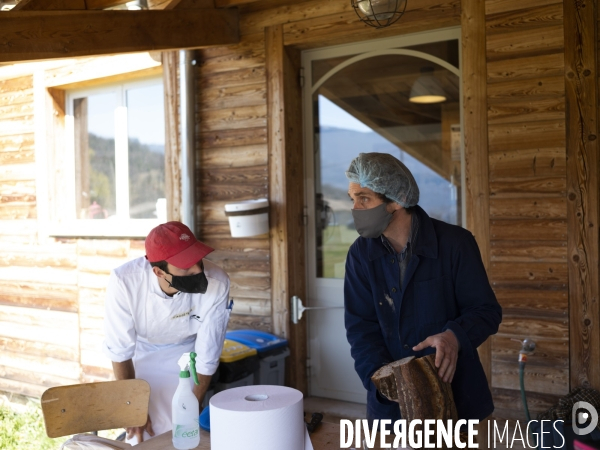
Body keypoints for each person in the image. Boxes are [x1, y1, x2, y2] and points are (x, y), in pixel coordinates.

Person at [344, 152, 502, 424]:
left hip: (458, 401)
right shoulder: (360, 254)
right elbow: (360, 327)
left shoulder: (455, 244)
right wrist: (381, 382)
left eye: (364, 198)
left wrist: (454, 336)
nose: (355, 208)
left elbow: (486, 311)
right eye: (352, 199)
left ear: (394, 200)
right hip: (391, 411)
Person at [103, 221, 231, 444]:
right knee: (141, 431)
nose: (197, 270)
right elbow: (120, 350)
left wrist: (195, 404)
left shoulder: (217, 282)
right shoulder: (125, 282)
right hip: (143, 351)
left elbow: (208, 352)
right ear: (158, 271)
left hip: (188, 352)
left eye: (197, 259)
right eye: (185, 266)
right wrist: (132, 406)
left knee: (184, 429)